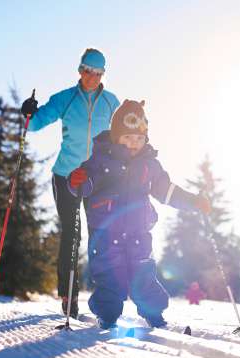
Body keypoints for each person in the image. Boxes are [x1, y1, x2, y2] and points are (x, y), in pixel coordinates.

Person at [67, 99, 211, 329]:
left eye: (139, 139)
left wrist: (194, 202)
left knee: (144, 278)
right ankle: (107, 317)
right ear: (116, 136)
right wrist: (77, 182)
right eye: (127, 138)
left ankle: (156, 318)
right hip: (105, 234)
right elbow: (84, 184)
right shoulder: (100, 159)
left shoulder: (149, 164)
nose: (133, 144)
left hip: (138, 234)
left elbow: (167, 191)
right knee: (110, 281)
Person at [20, 48, 120, 318]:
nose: (92, 77)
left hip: (98, 179)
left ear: (103, 75)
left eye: (98, 73)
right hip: (66, 175)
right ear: (80, 70)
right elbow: (34, 124)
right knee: (72, 234)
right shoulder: (65, 99)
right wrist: (29, 113)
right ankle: (69, 297)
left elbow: (124, 133)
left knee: (100, 234)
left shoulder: (112, 103)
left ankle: (105, 299)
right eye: (88, 71)